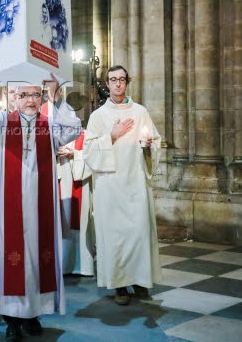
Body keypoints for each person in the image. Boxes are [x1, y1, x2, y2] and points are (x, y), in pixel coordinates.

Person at [0, 67, 81, 341]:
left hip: (39, 209)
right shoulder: (1, 123)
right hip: (9, 211)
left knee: (37, 258)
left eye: (36, 95)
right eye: (25, 95)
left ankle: (33, 314)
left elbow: (73, 129)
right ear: (15, 98)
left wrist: (57, 97)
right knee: (10, 260)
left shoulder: (50, 124)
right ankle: (11, 320)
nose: (31, 100)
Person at [83, 65, 162, 306]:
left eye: (121, 79)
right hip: (110, 185)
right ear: (107, 84)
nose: (117, 84)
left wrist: (149, 146)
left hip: (136, 182)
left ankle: (139, 280)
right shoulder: (98, 116)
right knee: (115, 237)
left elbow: (155, 142)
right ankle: (119, 286)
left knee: (138, 233)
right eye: (112, 80)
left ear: (128, 82)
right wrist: (112, 135)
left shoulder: (140, 112)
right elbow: (88, 151)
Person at [56, 128, 95, 276]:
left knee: (81, 219)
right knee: (62, 221)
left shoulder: (85, 135)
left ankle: (83, 266)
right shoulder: (54, 134)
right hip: (61, 182)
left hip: (80, 184)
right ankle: (63, 264)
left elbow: (93, 157)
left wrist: (75, 154)